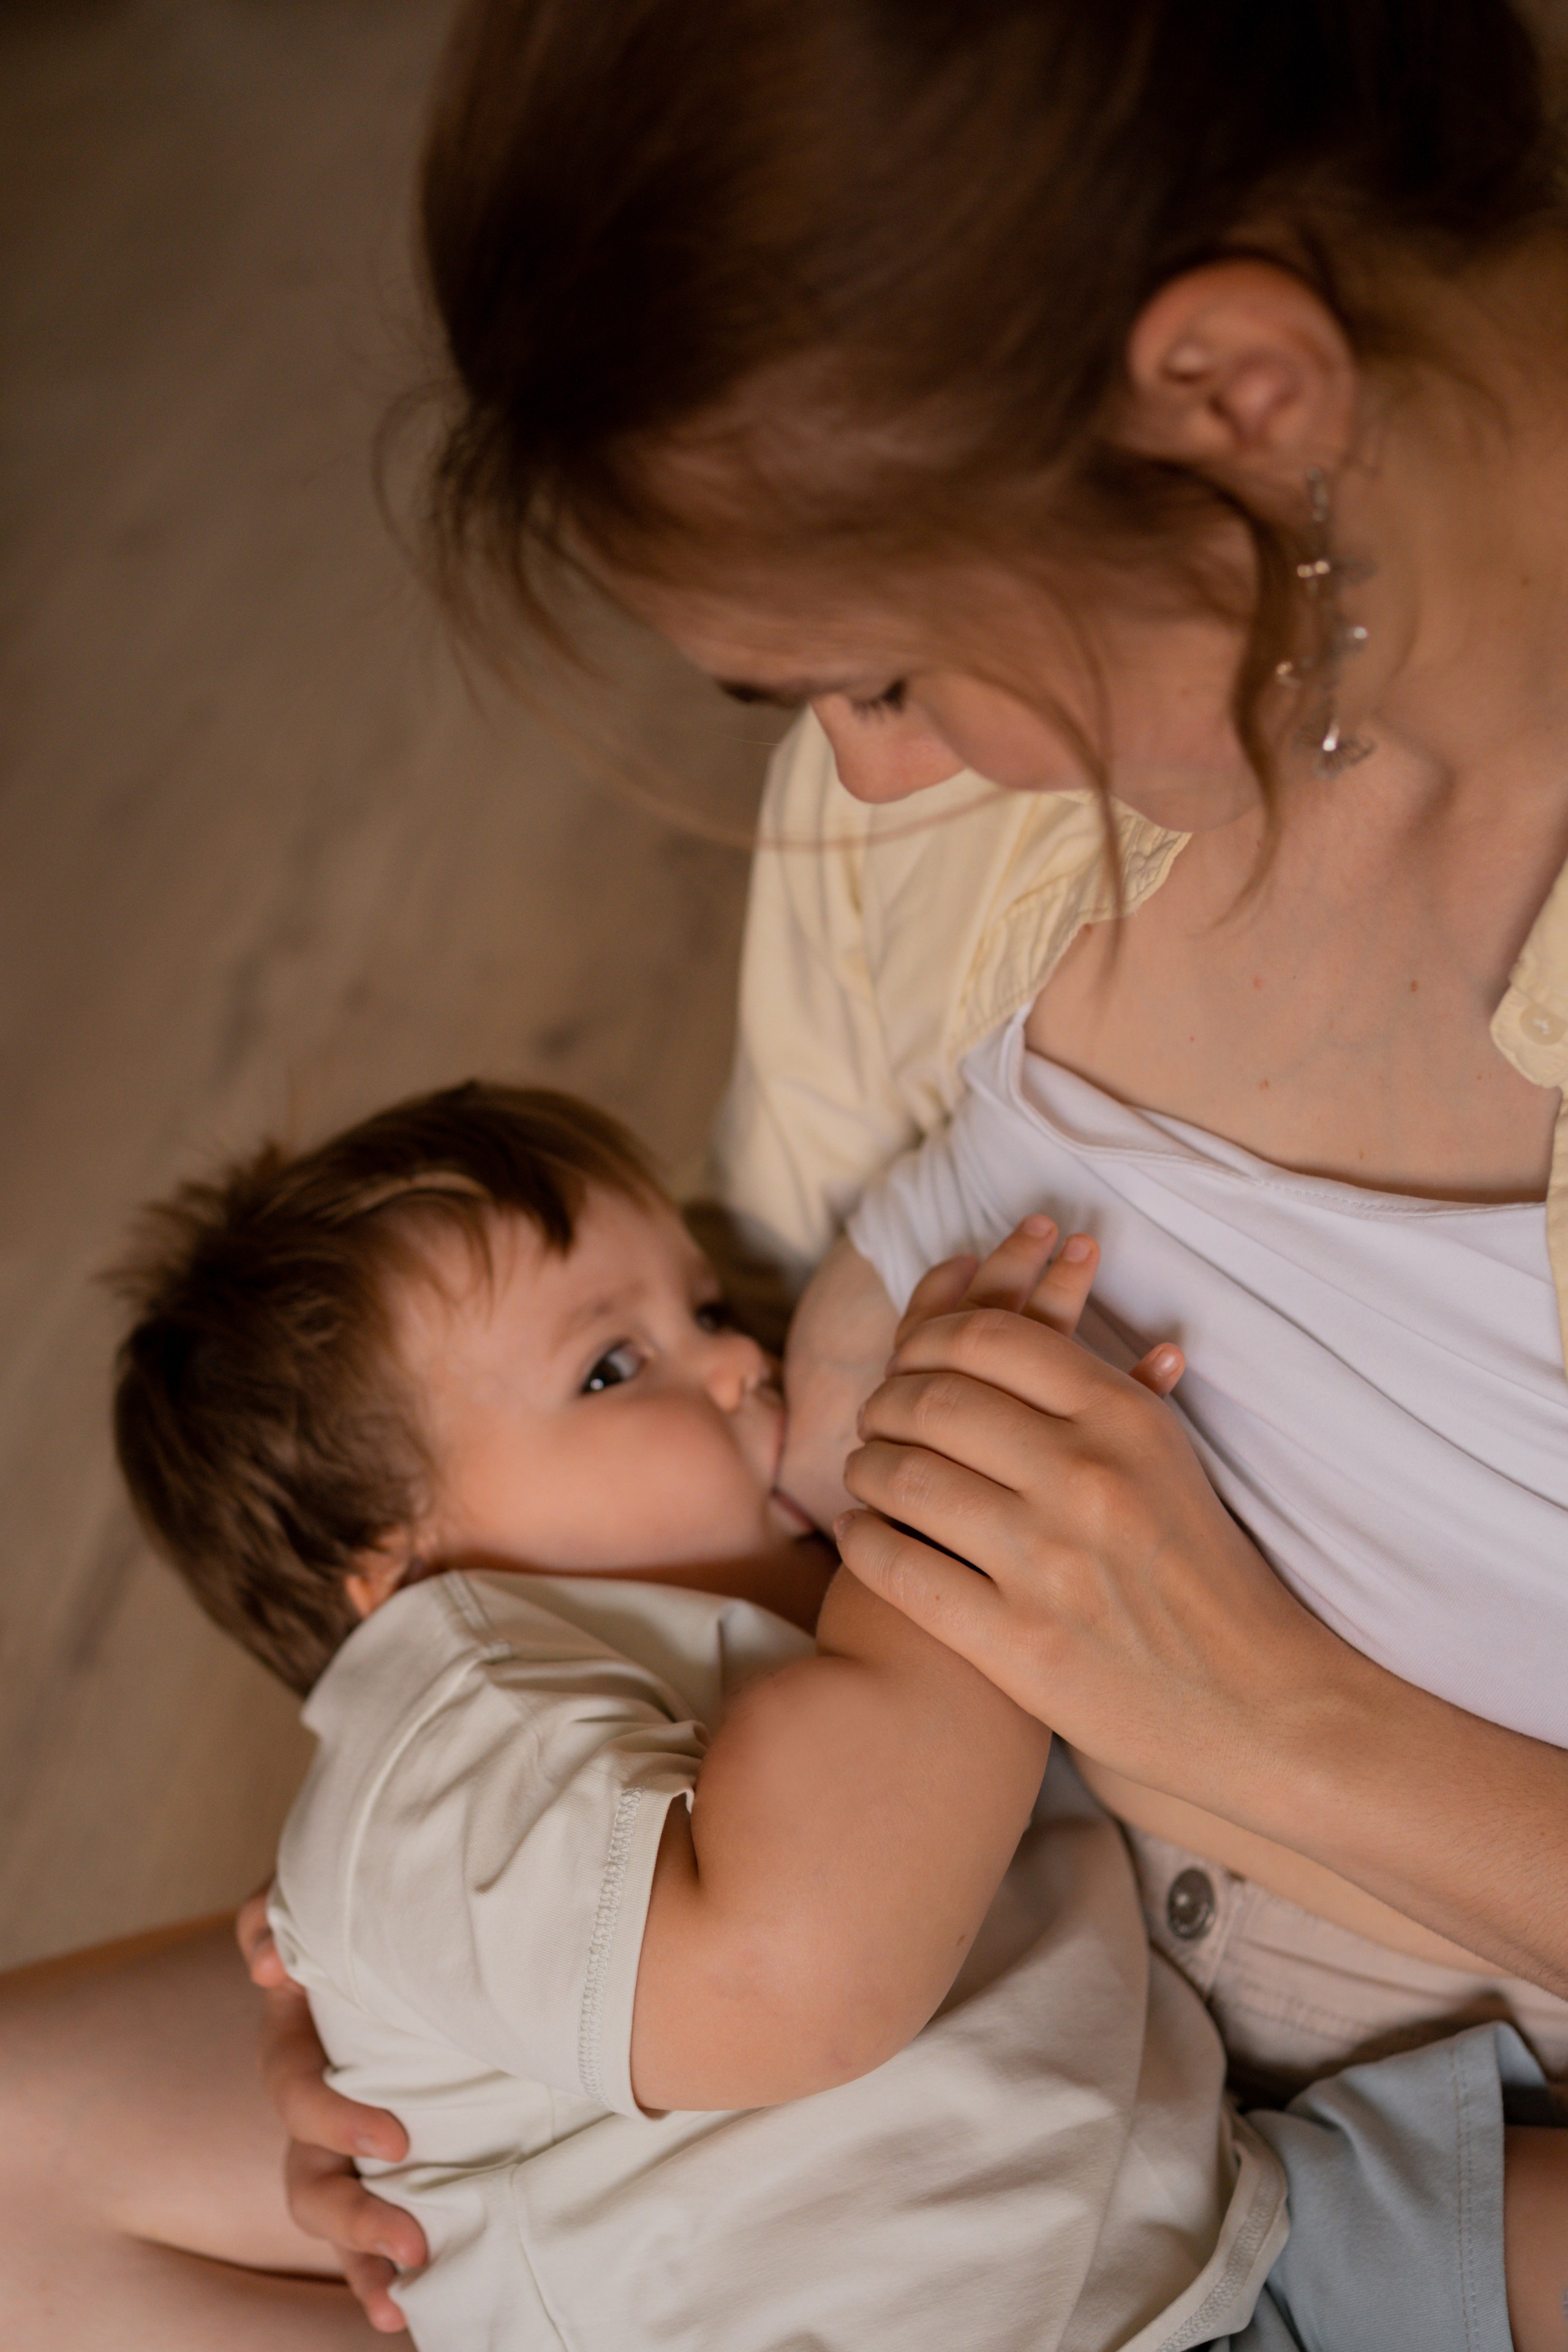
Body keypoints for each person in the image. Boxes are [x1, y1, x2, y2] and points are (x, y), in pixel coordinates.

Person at [4, 0, 1568, 2341]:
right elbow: (685, 1419)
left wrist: (1266, 1721)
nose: (871, 771)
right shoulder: (943, 839)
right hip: (947, 1964)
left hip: (1354, 2103)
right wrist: (464, 1957)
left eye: (892, 668)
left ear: (1237, 399)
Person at [108, 1077, 1289, 2351]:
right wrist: (949, 1513)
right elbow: (794, 1976)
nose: (741, 1364)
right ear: (396, 1569)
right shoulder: (440, 1738)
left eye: (712, 1311)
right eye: (612, 1368)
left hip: (1202, 2248)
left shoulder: (701, 1639)